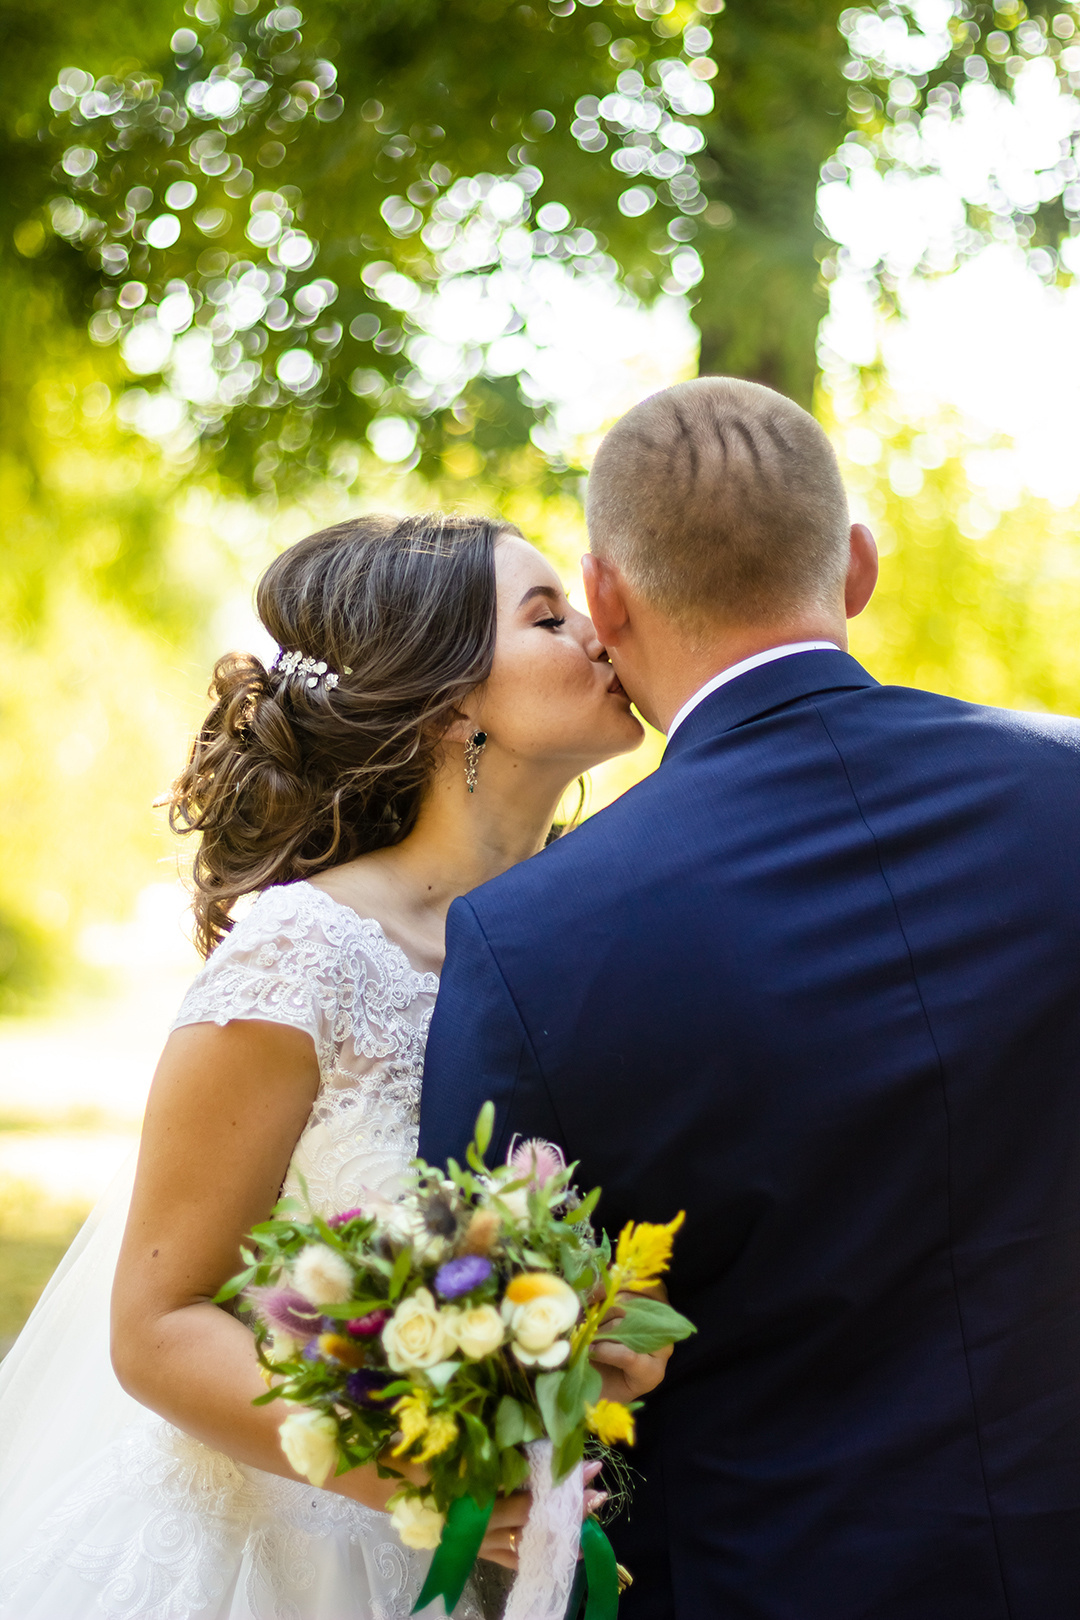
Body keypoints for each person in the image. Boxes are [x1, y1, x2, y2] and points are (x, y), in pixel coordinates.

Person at [419, 377, 1080, 1619]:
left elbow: (506, 1369)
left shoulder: (530, 938)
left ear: (607, 603)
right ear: (859, 567)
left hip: (768, 1580)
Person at [0, 512, 661, 1620]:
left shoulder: (580, 941)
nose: (600, 632)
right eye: (548, 615)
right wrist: (414, 1473)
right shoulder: (302, 954)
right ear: (453, 702)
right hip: (282, 1566)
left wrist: (594, 1342)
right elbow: (155, 1324)